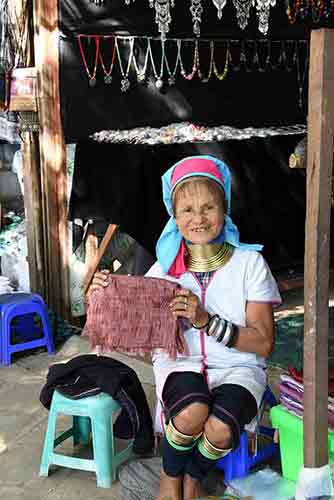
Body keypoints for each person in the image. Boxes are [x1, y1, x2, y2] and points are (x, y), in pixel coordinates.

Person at [90, 155, 281, 500]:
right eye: (188, 210)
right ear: (174, 218)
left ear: (224, 210)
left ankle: (191, 478)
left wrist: (206, 322)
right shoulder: (164, 270)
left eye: (208, 208)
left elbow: (264, 343)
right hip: (181, 363)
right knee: (193, 411)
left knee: (220, 428)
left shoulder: (250, 264)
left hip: (239, 367)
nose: (198, 219)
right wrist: (105, 294)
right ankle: (168, 477)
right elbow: (133, 328)